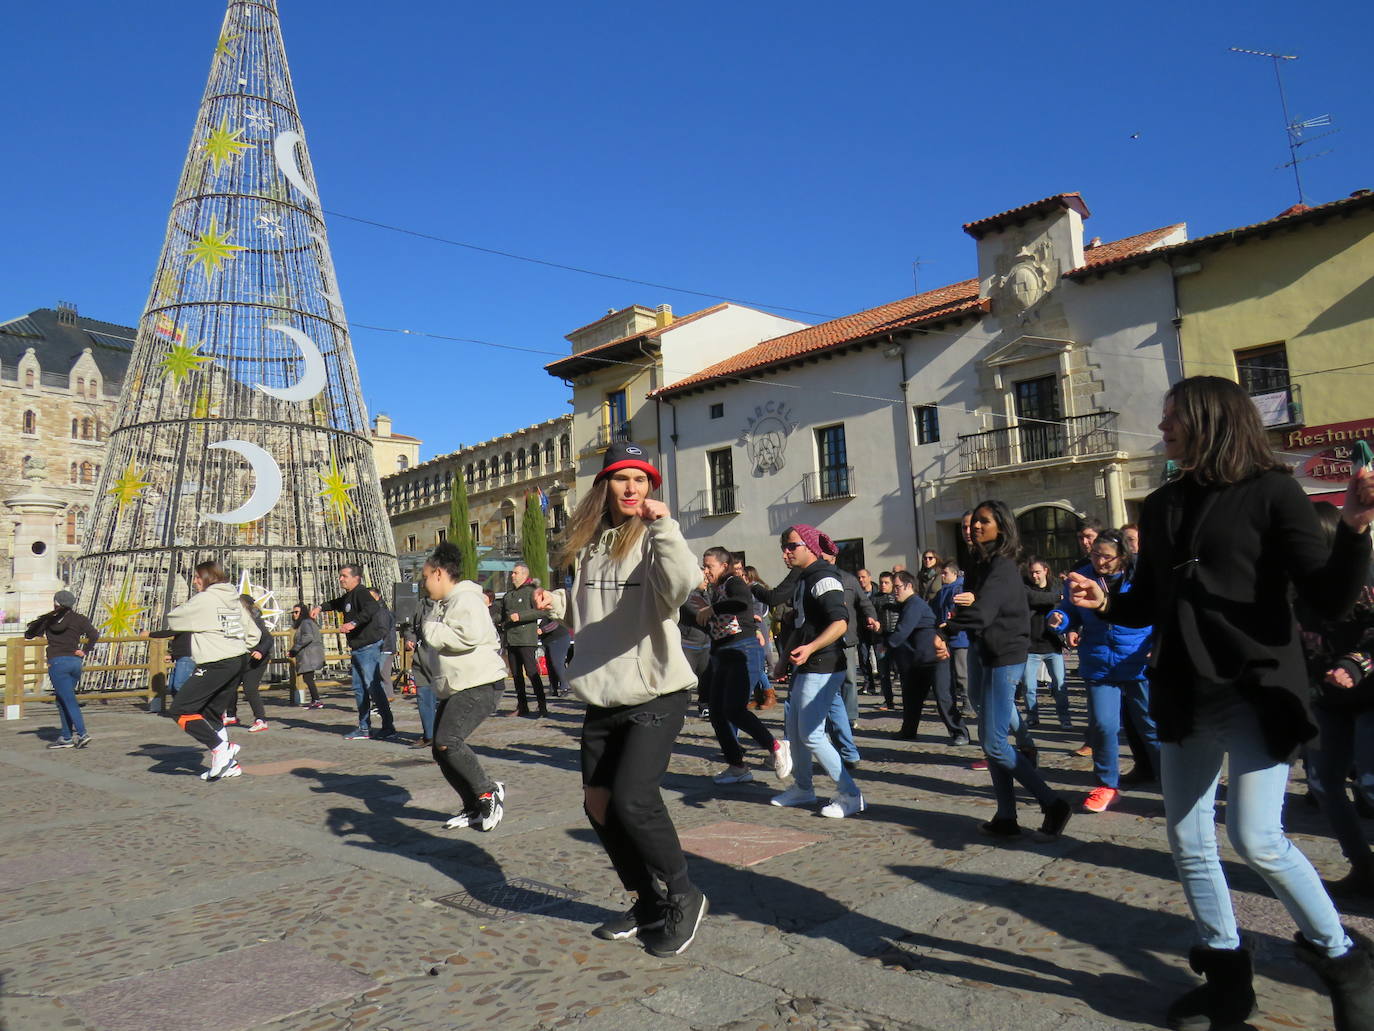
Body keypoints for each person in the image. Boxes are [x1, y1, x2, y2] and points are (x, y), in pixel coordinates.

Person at [1067, 375, 1374, 1031]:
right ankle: (1229, 978)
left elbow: (1327, 597)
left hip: (1256, 689)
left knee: (1257, 837)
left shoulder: (1274, 491)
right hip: (1184, 688)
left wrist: (1353, 527)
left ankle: (1345, 958)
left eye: (1172, 416)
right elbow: (1149, 598)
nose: (1162, 428)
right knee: (1186, 837)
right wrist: (1106, 601)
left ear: (1209, 420)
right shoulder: (1162, 502)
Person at [534, 442, 708, 956]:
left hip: (654, 689)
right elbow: (591, 605)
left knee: (634, 798)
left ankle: (683, 894)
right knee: (599, 803)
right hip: (602, 692)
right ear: (604, 486)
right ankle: (646, 903)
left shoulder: (656, 537)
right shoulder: (591, 544)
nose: (632, 487)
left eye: (640, 479)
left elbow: (681, 586)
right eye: (621, 478)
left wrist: (666, 526)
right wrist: (557, 601)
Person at [945, 500, 1071, 841]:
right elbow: (982, 607)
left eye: (983, 522)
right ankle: (1006, 816)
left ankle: (1053, 803)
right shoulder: (981, 562)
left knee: (996, 742)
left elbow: (984, 612)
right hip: (988, 650)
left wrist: (945, 631)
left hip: (1007, 654)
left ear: (1001, 526)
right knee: (992, 742)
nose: (974, 527)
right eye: (973, 523)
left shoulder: (1001, 565)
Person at [1050, 530, 1158, 813]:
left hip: (1135, 660)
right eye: (1095, 555)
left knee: (1150, 725)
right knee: (1102, 725)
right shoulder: (1083, 576)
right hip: (1098, 662)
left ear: (1122, 556)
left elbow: (1157, 612)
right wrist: (1062, 620)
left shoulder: (1140, 576)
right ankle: (1107, 785)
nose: (1099, 561)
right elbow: (1068, 608)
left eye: (1106, 557)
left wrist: (1157, 643)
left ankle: (1172, 779)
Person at [1299, 502, 1374, 897]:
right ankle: (1363, 866)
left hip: (1370, 695)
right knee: (1322, 782)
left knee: (1371, 783)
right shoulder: (1295, 583)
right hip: (1324, 699)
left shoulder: (1365, 576)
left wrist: (1357, 663)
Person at [769, 524, 865, 819]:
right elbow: (801, 626)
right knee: (797, 733)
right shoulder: (804, 578)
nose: (786, 552)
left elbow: (840, 622)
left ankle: (850, 794)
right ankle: (803, 788)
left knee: (810, 734)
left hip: (824, 665)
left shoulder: (823, 577)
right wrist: (785, 658)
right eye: (784, 547)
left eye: (792, 546)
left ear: (810, 547)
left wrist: (811, 648)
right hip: (806, 665)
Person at [417, 541, 509, 832]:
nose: (424, 583)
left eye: (426, 576)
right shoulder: (447, 603)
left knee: (448, 741)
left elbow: (467, 636)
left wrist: (430, 628)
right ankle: (473, 807)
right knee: (440, 749)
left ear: (440, 574)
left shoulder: (465, 600)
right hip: (460, 685)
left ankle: (488, 792)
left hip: (479, 683)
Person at [697, 546, 791, 787]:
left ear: (724, 566)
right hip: (722, 654)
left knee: (734, 709)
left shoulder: (732, 582)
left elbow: (740, 603)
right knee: (717, 713)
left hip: (743, 651)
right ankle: (737, 766)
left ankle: (776, 746)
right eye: (704, 566)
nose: (706, 570)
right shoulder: (714, 588)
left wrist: (713, 609)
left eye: (710, 566)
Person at [164, 561, 255, 780]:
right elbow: (253, 633)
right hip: (238, 658)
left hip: (216, 661)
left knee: (180, 709)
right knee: (211, 712)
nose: (195, 581)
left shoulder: (204, 599)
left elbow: (175, 619)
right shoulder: (234, 599)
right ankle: (229, 765)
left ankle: (220, 748)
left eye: (197, 577)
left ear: (207, 577)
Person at [315, 564, 395, 741]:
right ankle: (364, 727)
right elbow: (336, 603)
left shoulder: (360, 592)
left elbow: (372, 608)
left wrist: (354, 623)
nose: (340, 579)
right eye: (340, 576)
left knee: (373, 687)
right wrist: (320, 607)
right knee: (359, 689)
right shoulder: (349, 596)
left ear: (356, 578)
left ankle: (387, 726)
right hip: (358, 648)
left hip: (368, 647)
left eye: (344, 576)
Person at [819, 541, 879, 762]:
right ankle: (828, 721)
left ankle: (850, 716)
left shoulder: (849, 579)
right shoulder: (815, 578)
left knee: (849, 681)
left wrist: (872, 617)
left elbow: (864, 604)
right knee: (826, 684)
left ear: (834, 558)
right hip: (824, 639)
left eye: (827, 557)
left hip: (847, 638)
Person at [889, 570, 965, 743]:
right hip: (919, 660)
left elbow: (902, 631)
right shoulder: (908, 604)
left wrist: (885, 646)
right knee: (911, 697)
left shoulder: (914, 604)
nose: (895, 590)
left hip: (936, 658)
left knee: (943, 697)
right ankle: (908, 731)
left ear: (909, 586)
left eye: (897, 586)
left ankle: (960, 732)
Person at [25, 590, 98, 749]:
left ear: (56, 603)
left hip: (58, 663)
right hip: (75, 662)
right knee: (62, 700)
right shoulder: (79, 619)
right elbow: (94, 634)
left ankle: (82, 733)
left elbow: (29, 634)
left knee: (69, 699)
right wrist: (85, 650)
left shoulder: (49, 620)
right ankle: (66, 737)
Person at [1022, 558, 1070, 730]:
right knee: (1028, 686)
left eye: (1037, 572)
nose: (1034, 575)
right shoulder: (1025, 588)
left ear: (1045, 571)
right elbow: (1032, 598)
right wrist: (1054, 598)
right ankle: (1032, 716)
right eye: (1031, 572)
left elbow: (1063, 608)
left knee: (1059, 685)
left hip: (1052, 645)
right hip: (1030, 646)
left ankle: (1064, 718)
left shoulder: (1057, 586)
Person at [497, 563, 548, 717]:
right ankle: (522, 706)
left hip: (526, 639)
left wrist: (521, 616)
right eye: (512, 573)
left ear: (525, 575)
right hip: (511, 639)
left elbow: (541, 612)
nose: (513, 575)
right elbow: (503, 615)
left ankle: (542, 706)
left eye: (516, 573)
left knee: (532, 672)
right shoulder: (509, 595)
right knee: (516, 675)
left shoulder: (531, 592)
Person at [224, 597, 273, 731]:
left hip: (257, 659)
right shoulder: (233, 619)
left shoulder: (255, 618)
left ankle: (261, 719)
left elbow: (268, 639)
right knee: (230, 684)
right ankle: (231, 715)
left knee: (250, 688)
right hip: (242, 657)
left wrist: (260, 651)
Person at [934, 560, 972, 724]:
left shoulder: (959, 588)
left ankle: (969, 703)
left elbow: (958, 612)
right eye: (941, 573)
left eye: (945, 573)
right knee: (951, 674)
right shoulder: (943, 590)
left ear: (955, 574)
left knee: (962, 673)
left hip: (960, 637)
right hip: (948, 636)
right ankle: (955, 704)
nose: (942, 576)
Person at [679, 573, 712, 717]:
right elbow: (703, 613)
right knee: (686, 680)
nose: (706, 581)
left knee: (706, 678)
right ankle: (682, 708)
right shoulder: (687, 596)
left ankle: (704, 705)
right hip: (688, 644)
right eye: (703, 579)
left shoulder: (706, 594)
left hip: (705, 644)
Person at [871, 571, 902, 709]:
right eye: (881, 582)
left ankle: (908, 700)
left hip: (898, 637)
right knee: (883, 672)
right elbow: (871, 615)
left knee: (903, 670)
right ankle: (889, 701)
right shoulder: (875, 599)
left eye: (886, 582)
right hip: (881, 639)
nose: (883, 585)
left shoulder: (898, 597)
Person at [289, 603, 326, 710]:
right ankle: (315, 699)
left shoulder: (305, 622)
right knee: (308, 677)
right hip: (310, 654)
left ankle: (317, 700)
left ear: (302, 613)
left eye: (296, 612)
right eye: (293, 612)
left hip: (309, 655)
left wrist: (295, 649)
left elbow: (308, 637)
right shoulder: (308, 622)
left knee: (308, 678)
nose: (294, 615)